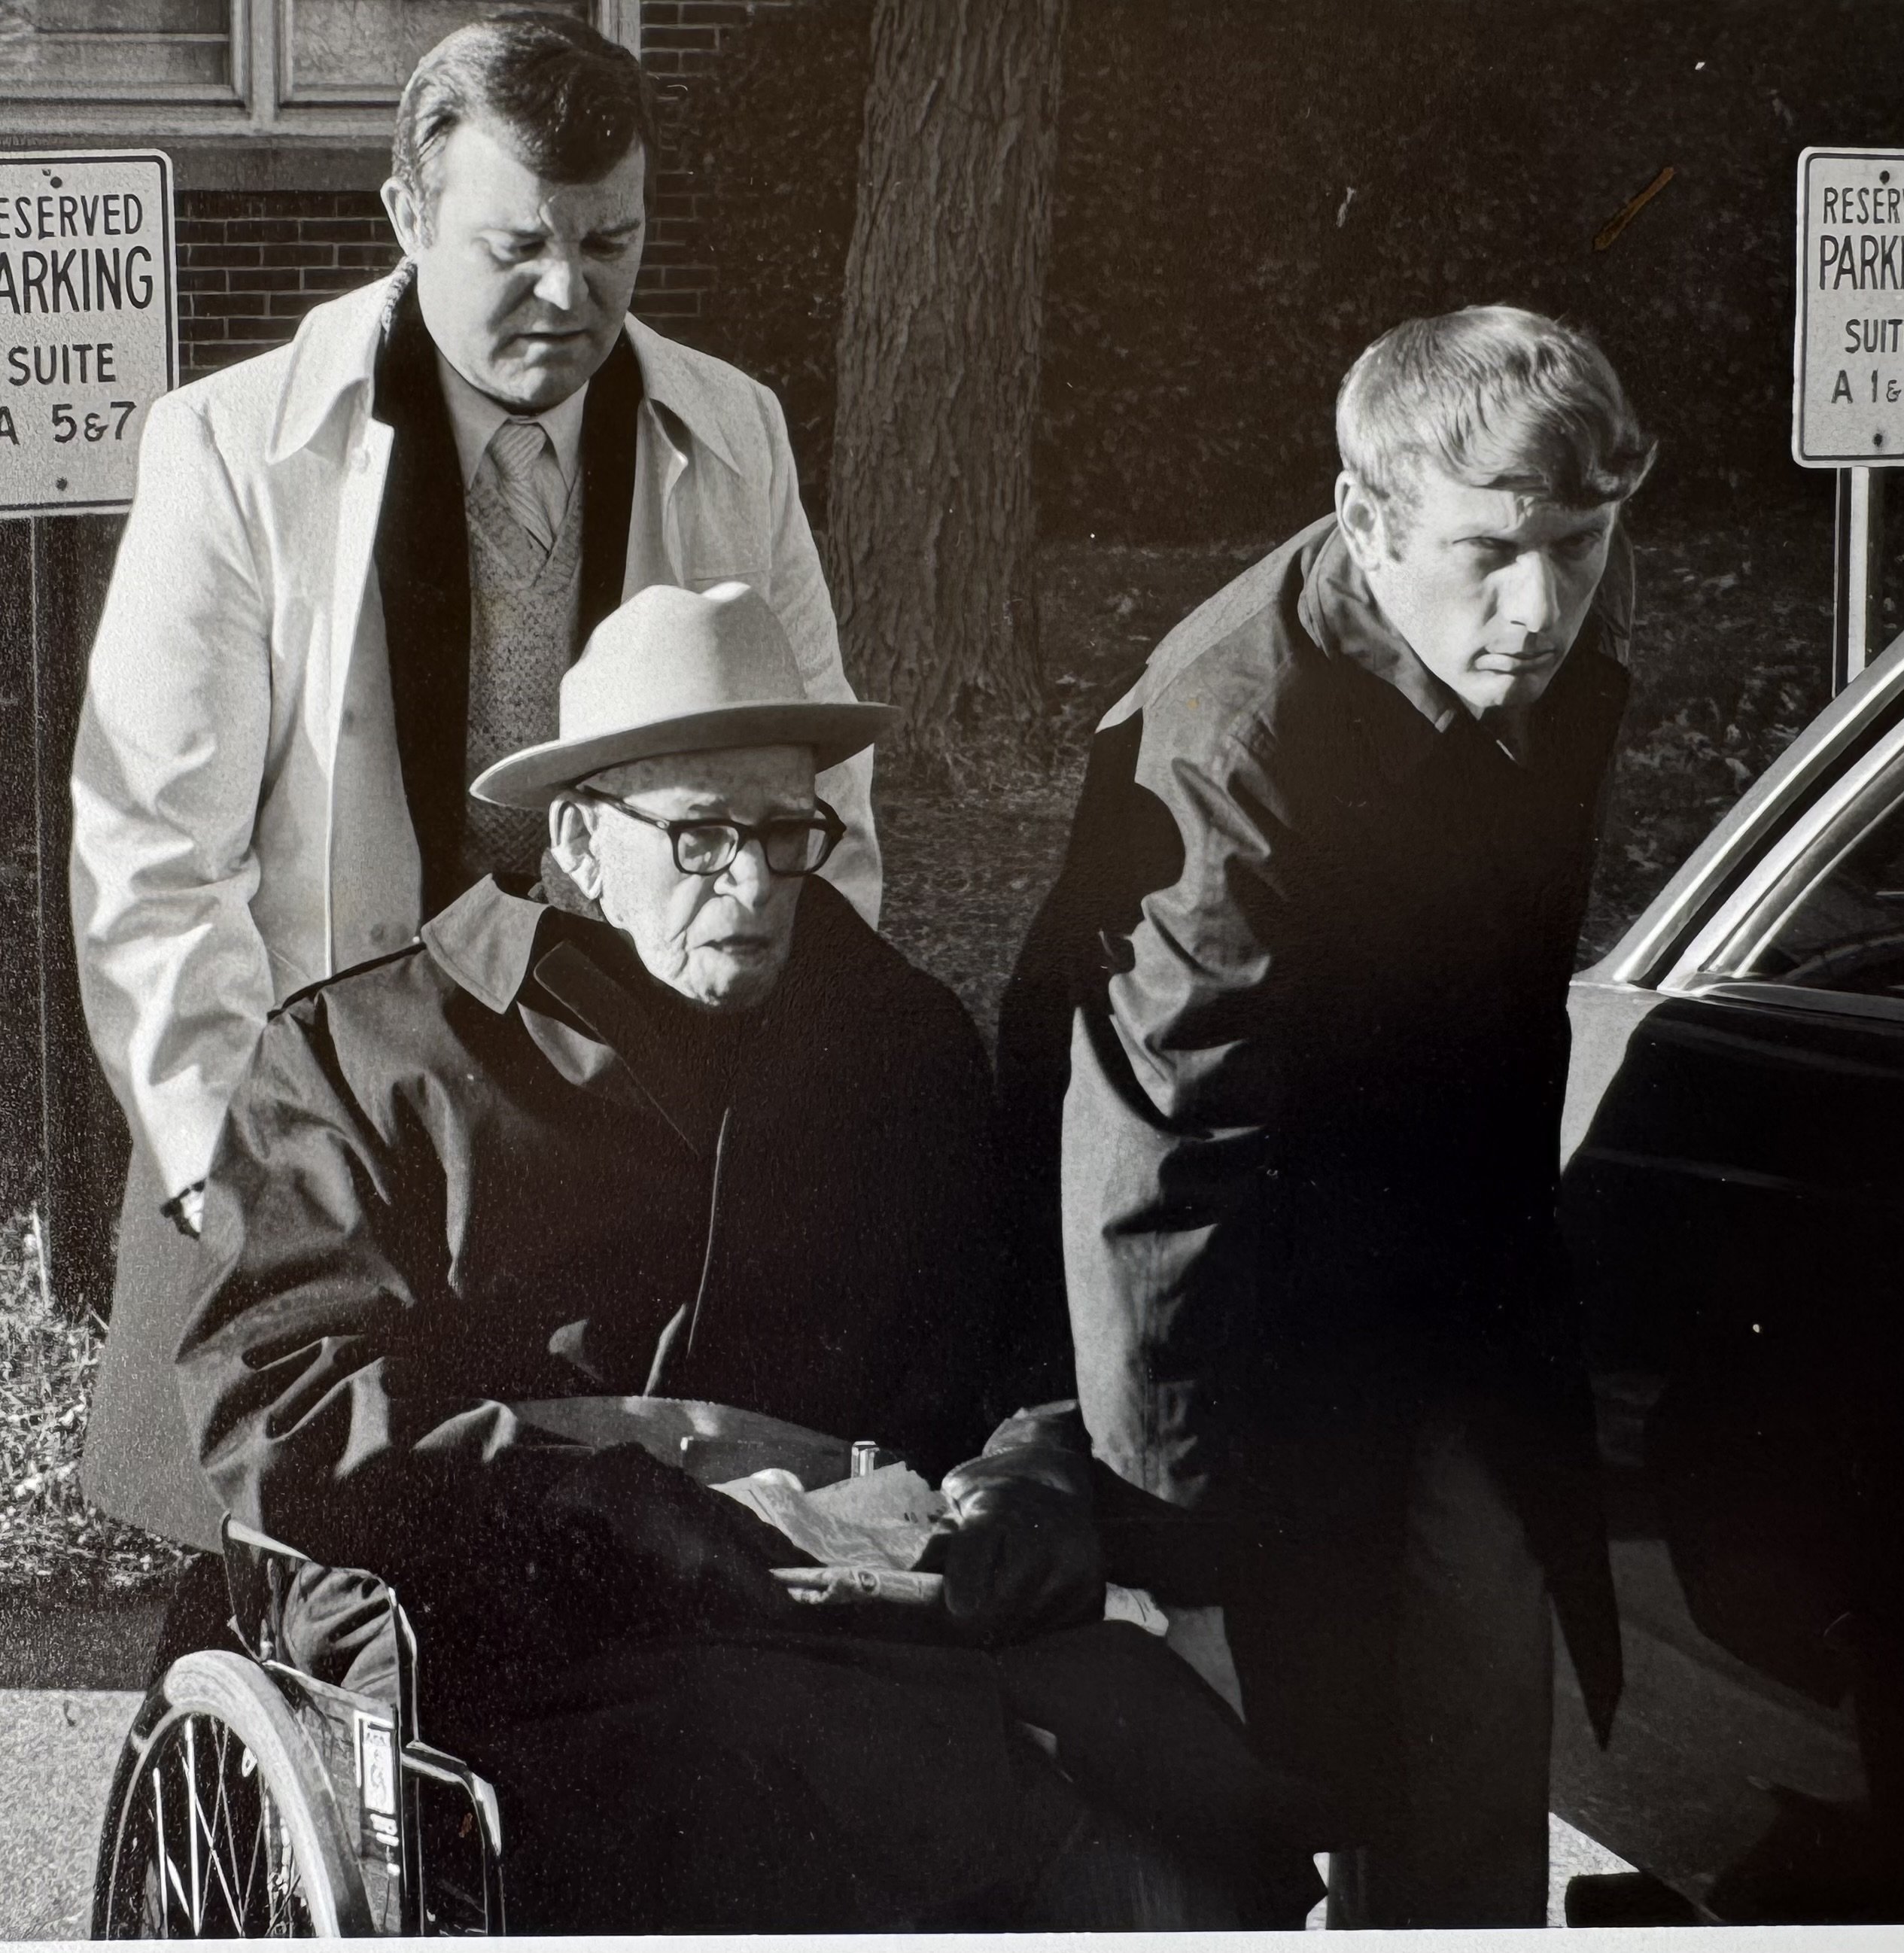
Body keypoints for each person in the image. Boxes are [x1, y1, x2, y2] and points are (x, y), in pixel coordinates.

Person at [175, 583, 1318, 1930]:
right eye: (705, 837)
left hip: (869, 1616)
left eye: (788, 833)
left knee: (1183, 1798)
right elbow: (279, 1409)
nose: (758, 883)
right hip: (518, 1630)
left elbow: (1031, 1348)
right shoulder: (367, 1055)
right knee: (791, 1777)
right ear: (582, 844)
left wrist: (1026, 1484)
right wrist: (602, 1501)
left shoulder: (897, 1040)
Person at [70, 11, 877, 1558]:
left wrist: (774, 1110)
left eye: (612, 241)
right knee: (305, 1588)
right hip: (320, 1139)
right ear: (405, 216)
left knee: (650, 1589)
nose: (569, 294)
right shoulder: (234, 451)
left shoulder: (734, 433)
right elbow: (152, 866)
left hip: (616, 1133)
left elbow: (814, 803)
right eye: (516, 246)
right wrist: (254, 1177)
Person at [999, 306, 1656, 1926]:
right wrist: (1173, 1544)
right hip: (1208, 1268)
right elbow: (1153, 1160)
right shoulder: (1230, 744)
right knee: (1265, 1781)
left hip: (1434, 1245)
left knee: (1475, 1730)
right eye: (1489, 553)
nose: (1541, 603)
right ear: (1367, 523)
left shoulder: (1556, 576)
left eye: (1576, 546)